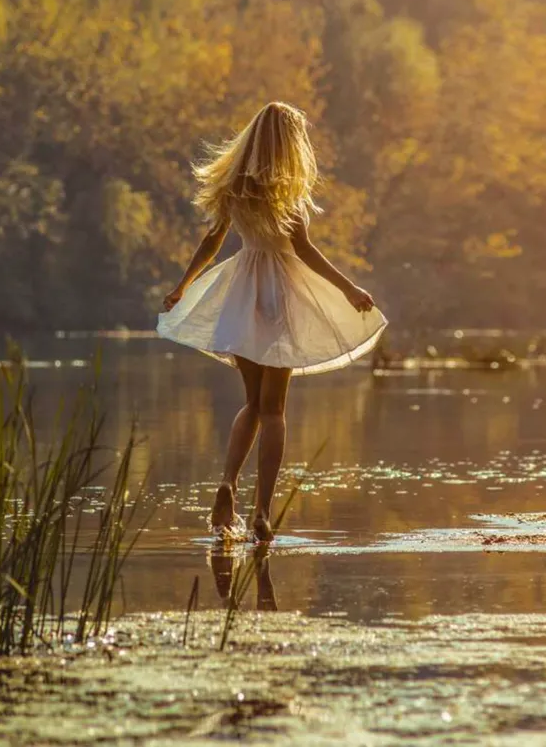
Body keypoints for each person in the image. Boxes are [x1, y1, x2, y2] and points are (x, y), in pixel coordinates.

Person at [158, 101, 387, 542]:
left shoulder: (234, 187)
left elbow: (212, 242)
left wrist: (183, 285)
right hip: (279, 294)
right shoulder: (287, 191)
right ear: (289, 144)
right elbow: (303, 250)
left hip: (241, 293)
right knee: (274, 410)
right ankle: (262, 512)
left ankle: (227, 483)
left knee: (251, 403)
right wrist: (348, 288)